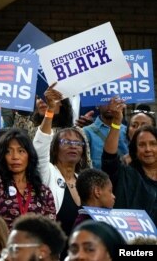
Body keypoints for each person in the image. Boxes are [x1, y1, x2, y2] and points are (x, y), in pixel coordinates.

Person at [0, 99, 56, 228]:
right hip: (4, 247)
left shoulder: (43, 192)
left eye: (21, 151)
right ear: (2, 157)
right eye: (9, 152)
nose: (15, 157)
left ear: (29, 155)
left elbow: (51, 229)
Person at [34, 83, 90, 235]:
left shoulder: (84, 182)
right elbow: (40, 146)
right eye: (66, 142)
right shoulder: (48, 173)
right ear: (54, 148)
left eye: (77, 143)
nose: (73, 146)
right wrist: (50, 110)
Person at [102, 97, 157, 222]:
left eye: (153, 144)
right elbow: (109, 158)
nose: (148, 149)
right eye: (142, 145)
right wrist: (116, 122)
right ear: (134, 150)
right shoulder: (125, 174)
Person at [83, 99, 129, 169]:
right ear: (97, 105)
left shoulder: (127, 130)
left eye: (114, 102)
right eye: (106, 101)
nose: (111, 106)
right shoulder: (86, 131)